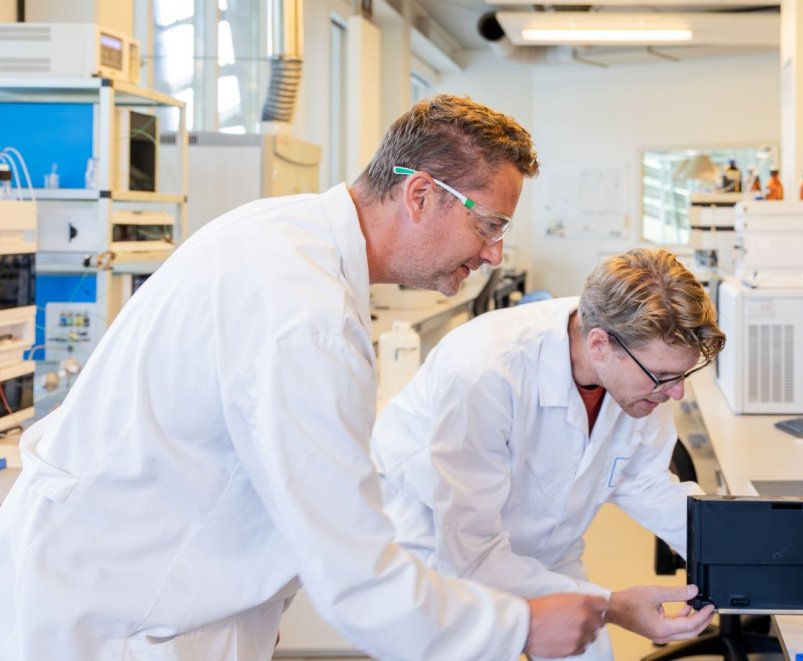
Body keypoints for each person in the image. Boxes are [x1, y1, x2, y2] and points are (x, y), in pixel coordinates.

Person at [0, 95, 607, 660]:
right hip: (125, 616)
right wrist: (520, 626)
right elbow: (357, 579)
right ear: (421, 195)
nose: (495, 253)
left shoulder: (287, 235)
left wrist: (270, 586)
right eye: (490, 225)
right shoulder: (306, 318)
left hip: (131, 578)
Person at [372, 248, 727, 659]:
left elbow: (645, 482)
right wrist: (612, 606)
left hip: (547, 552)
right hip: (438, 556)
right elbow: (471, 553)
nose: (676, 392)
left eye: (682, 375)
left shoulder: (639, 374)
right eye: (663, 376)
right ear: (600, 345)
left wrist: (746, 553)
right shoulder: (485, 370)